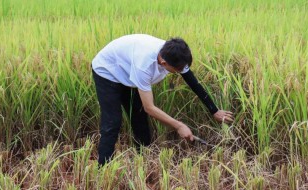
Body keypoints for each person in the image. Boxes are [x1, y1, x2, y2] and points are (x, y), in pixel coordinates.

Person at [91, 34, 234, 166]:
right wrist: (179, 126)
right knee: (112, 122)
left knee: (139, 115)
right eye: (177, 70)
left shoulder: (176, 55)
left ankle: (143, 158)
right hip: (107, 71)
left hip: (128, 69)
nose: (180, 72)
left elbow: (193, 83)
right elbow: (150, 108)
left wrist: (214, 110)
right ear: (163, 62)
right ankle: (103, 168)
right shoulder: (144, 66)